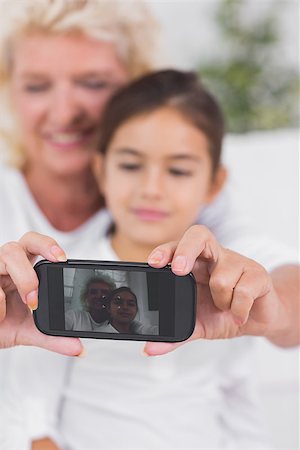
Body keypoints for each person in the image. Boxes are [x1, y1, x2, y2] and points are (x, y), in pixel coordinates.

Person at [1, 69, 298, 450]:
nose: (151, 189)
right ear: (100, 170)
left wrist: (275, 305)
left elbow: (292, 290)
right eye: (130, 165)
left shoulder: (231, 267)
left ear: (214, 183)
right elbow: (32, 411)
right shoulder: (65, 268)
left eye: (177, 170)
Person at [0, 0, 163, 353]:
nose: (63, 113)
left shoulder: (181, 196)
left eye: (92, 83)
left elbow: (284, 287)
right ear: (9, 91)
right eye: (36, 86)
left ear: (138, 91)